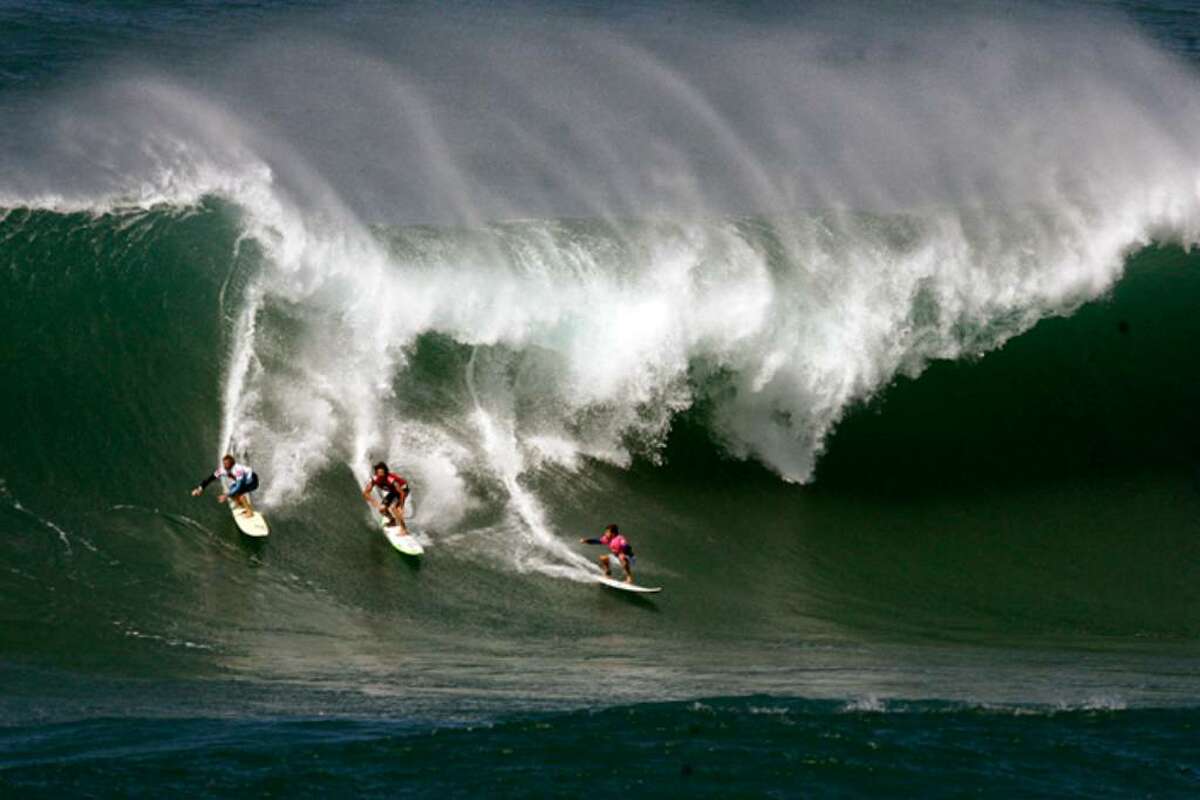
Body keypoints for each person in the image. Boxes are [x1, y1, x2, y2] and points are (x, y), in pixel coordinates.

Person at [192, 454, 258, 517]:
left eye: (227, 464)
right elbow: (210, 479)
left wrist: (226, 496)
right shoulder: (222, 470)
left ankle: (250, 512)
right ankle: (243, 506)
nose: (225, 465)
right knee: (232, 491)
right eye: (224, 463)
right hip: (244, 482)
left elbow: (238, 486)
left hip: (252, 481)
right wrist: (200, 489)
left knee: (237, 493)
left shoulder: (238, 469)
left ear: (232, 464)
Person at [363, 461, 410, 534]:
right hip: (393, 491)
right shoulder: (375, 479)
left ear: (385, 472)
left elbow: (401, 493)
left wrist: (401, 506)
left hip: (403, 489)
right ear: (376, 472)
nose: (381, 474)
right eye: (379, 472)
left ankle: (404, 529)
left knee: (395, 509)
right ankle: (392, 521)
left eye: (382, 472)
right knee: (382, 509)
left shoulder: (390, 479)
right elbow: (366, 493)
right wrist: (373, 502)